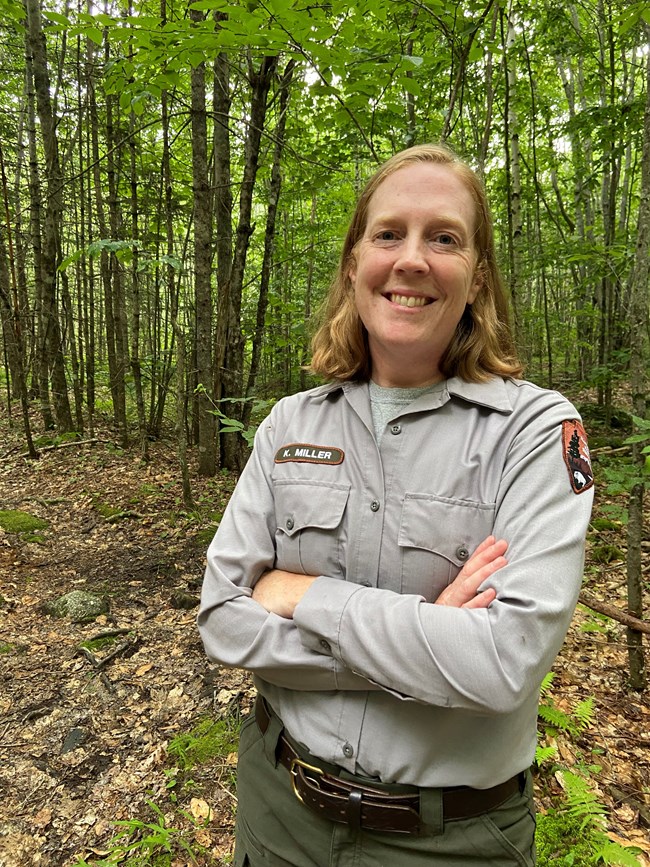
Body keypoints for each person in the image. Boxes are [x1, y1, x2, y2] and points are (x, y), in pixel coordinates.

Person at [198, 143, 594, 866]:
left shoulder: (535, 432)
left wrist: (304, 593)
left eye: (444, 237)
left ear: (476, 277)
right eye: (389, 233)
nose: (412, 259)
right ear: (355, 264)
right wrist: (431, 633)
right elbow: (223, 621)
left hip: (452, 841)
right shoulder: (291, 425)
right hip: (277, 809)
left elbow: (504, 665)